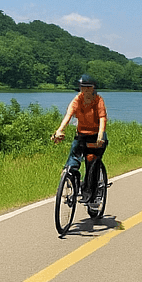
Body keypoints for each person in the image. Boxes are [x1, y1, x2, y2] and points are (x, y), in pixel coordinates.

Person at [51, 74, 108, 202]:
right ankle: (71, 185)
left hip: (96, 136)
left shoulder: (98, 100)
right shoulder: (77, 99)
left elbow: (102, 118)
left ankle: (93, 197)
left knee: (91, 160)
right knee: (71, 163)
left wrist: (100, 135)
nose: (86, 90)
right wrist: (60, 130)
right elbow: (68, 115)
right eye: (83, 87)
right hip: (82, 135)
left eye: (89, 87)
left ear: (94, 88)